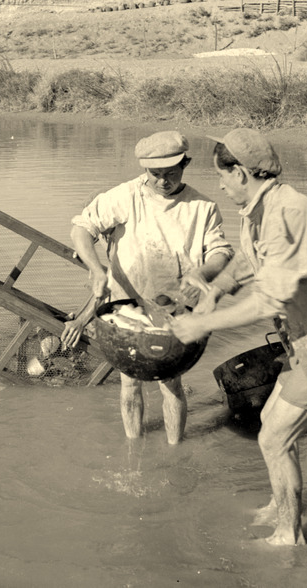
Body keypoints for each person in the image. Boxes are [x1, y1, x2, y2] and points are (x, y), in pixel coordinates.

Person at [171, 128, 307, 545]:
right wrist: (215, 289)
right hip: (303, 339)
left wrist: (202, 324)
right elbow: (251, 263)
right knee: (271, 420)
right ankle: (279, 507)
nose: (218, 184)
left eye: (222, 175)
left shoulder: (288, 213)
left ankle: (290, 534)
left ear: (241, 173)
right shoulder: (263, 209)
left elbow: (269, 301)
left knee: (274, 437)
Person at [61, 130, 234, 444]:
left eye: (171, 173)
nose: (163, 181)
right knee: (130, 384)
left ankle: (174, 448)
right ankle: (133, 445)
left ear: (186, 165)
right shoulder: (125, 196)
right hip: (126, 309)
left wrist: (201, 274)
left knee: (172, 384)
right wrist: (96, 268)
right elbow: (81, 230)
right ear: (145, 171)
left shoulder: (202, 207)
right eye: (155, 175)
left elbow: (221, 253)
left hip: (174, 308)